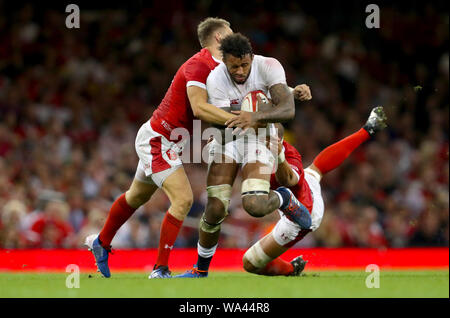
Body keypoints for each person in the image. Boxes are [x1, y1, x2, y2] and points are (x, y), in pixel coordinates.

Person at [85, 17, 237, 278]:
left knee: (136, 196)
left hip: (168, 140)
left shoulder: (219, 69)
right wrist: (237, 119)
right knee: (184, 199)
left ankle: (101, 242)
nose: (236, 37)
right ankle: (160, 269)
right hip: (159, 140)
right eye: (231, 33)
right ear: (220, 37)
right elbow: (200, 108)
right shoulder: (199, 65)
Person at [175, 33, 313, 278]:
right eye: (233, 66)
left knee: (255, 206)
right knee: (216, 208)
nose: (239, 70)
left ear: (251, 57)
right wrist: (257, 110)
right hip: (227, 137)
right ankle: (200, 270)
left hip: (258, 136)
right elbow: (219, 120)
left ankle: (283, 199)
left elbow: (287, 110)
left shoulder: (269, 66)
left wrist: (258, 115)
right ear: (225, 63)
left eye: (244, 64)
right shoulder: (215, 78)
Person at [242, 106, 388, 276]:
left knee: (250, 263)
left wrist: (279, 156)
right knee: (315, 169)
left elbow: (288, 180)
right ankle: (367, 130)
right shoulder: (252, 148)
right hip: (299, 191)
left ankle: (291, 270)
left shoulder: (289, 155)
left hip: (302, 214)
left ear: (278, 141)